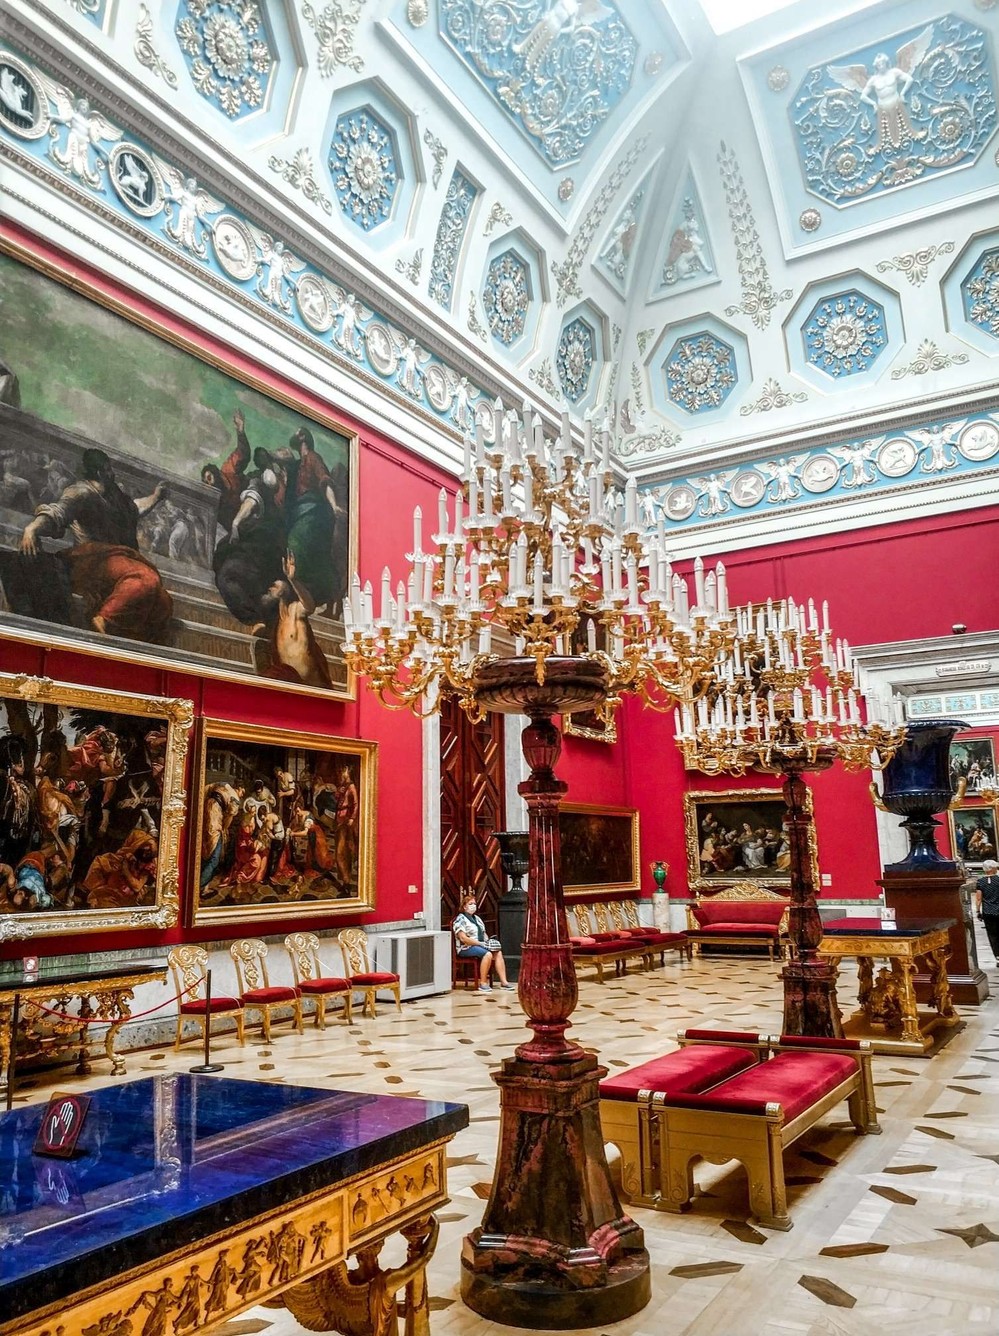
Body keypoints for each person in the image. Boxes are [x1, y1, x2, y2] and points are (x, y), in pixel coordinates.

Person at [19, 446, 173, 642]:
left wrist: (156, 497)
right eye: (109, 469)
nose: (112, 473)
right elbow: (57, 513)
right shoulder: (82, 492)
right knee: (146, 578)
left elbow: (135, 508)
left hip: (117, 560)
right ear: (101, 471)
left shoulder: (115, 496)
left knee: (163, 602)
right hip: (90, 560)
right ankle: (103, 619)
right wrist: (32, 529)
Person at [452, 892, 514, 993]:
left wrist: (488, 943)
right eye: (470, 904)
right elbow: (463, 938)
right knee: (487, 954)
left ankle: (504, 982)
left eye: (474, 904)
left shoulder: (477, 919)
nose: (473, 906)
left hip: (481, 945)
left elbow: (484, 934)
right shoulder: (460, 919)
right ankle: (483, 983)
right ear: (464, 907)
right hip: (466, 947)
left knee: (497, 952)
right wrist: (479, 943)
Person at [975, 858, 999, 967]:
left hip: (988, 912)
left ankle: (998, 956)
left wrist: (978, 911)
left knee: (992, 935)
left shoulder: (980, 882)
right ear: (993, 868)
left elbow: (979, 899)